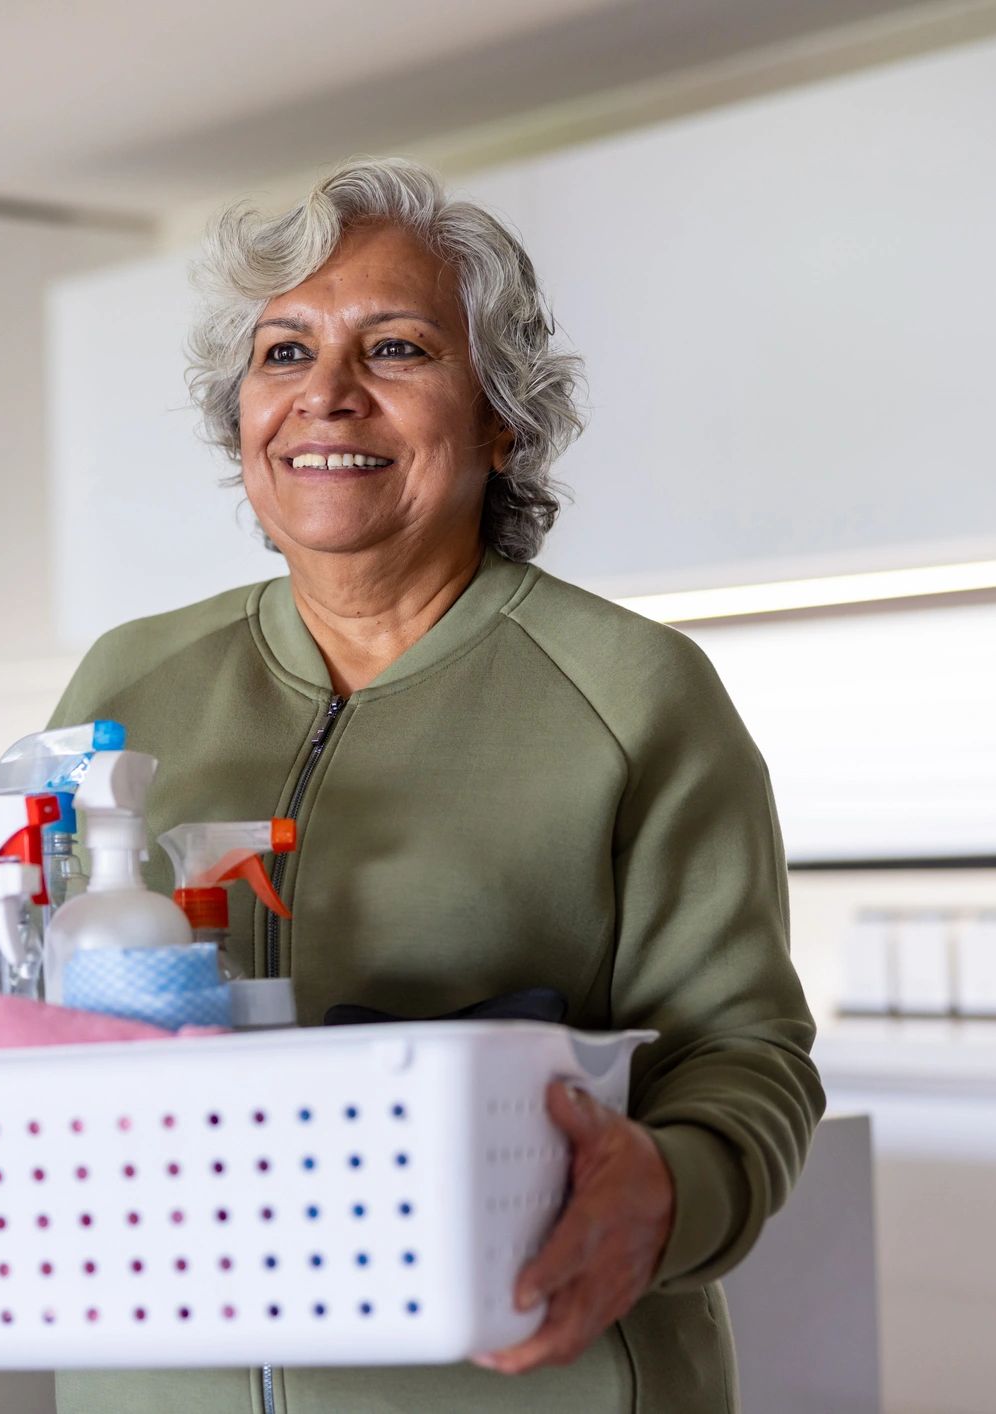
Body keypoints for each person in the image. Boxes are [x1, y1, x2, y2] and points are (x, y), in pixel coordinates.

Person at [47, 156, 823, 1413]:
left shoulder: (632, 692)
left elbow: (743, 1051)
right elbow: (40, 984)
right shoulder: (128, 677)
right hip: (152, 1379)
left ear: (499, 415)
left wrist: (669, 1184)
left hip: (521, 1377)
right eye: (283, 353)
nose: (325, 398)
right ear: (239, 415)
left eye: (395, 349)